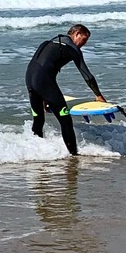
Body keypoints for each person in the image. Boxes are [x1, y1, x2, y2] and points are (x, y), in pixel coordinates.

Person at [26, 24, 106, 156]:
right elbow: (87, 76)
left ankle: (35, 154)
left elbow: (43, 66)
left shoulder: (49, 42)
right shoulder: (72, 48)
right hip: (43, 80)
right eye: (84, 40)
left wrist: (44, 95)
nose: (83, 44)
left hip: (30, 78)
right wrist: (98, 95)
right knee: (65, 119)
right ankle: (74, 155)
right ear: (77, 34)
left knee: (38, 118)